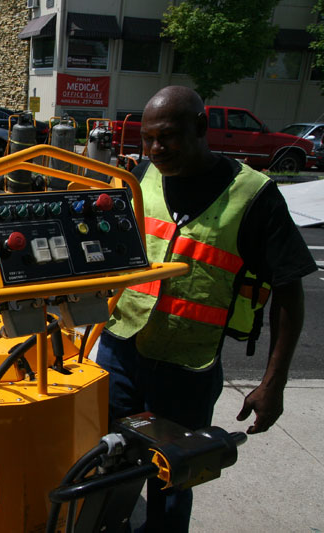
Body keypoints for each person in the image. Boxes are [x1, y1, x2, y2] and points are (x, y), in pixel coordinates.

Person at [95, 86, 316, 531]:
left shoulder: (253, 196)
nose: (157, 149)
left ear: (201, 128)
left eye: (169, 137)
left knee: (173, 480)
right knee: (107, 462)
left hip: (187, 368)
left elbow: (289, 291)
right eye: (148, 139)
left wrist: (274, 384)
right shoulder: (143, 175)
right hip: (120, 351)